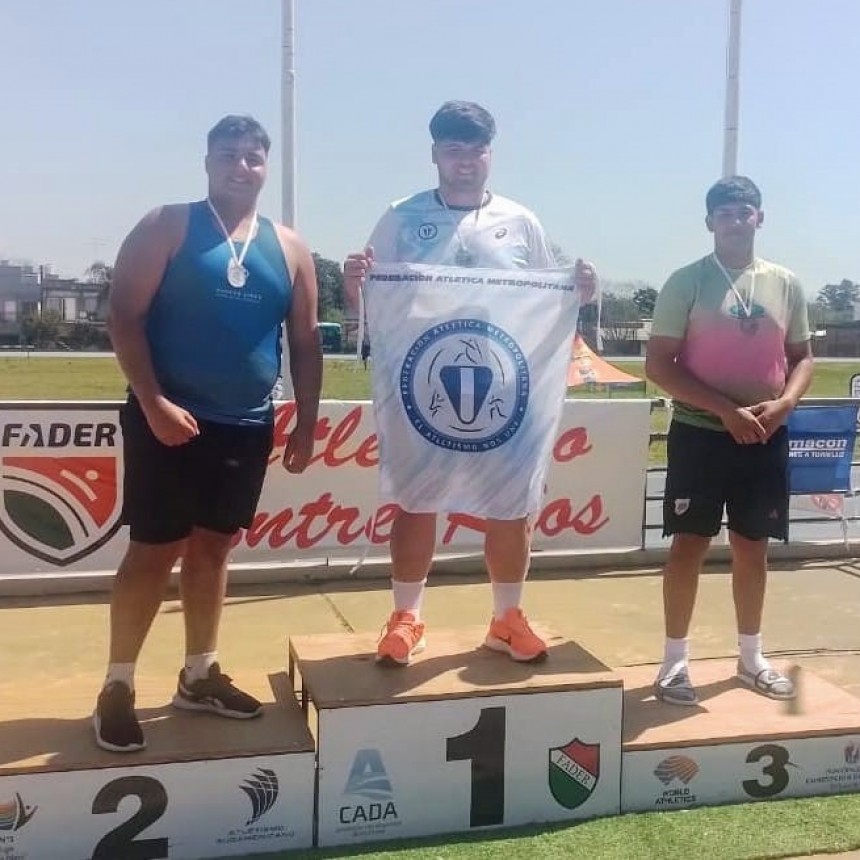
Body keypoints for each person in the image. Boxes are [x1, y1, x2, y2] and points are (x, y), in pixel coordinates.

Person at [94, 115, 322, 752]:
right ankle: (116, 684)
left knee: (215, 549)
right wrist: (153, 400)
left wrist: (306, 420)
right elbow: (122, 317)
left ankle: (199, 674)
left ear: (265, 166)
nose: (240, 166)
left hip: (247, 424)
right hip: (169, 419)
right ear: (207, 161)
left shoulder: (291, 247)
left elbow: (304, 341)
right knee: (153, 548)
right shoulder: (167, 224)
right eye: (228, 155)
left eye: (253, 157)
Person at [344, 101, 596, 667]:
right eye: (453, 150)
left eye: (476, 150)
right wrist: (352, 281)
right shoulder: (400, 216)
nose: (465, 161)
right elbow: (365, 301)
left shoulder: (521, 221)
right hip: (421, 384)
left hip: (506, 385)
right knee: (416, 501)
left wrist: (582, 289)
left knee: (511, 505)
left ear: (491, 153)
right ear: (435, 154)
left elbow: (550, 299)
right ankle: (407, 615)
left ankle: (506, 618)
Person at [646, 175, 812, 705]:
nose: (736, 220)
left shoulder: (784, 283)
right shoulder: (687, 281)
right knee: (689, 544)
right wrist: (725, 410)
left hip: (764, 435)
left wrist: (785, 404)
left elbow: (802, 357)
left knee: (752, 547)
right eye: (725, 213)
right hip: (701, 433)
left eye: (745, 211)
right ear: (709, 222)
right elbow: (659, 365)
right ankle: (674, 663)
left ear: (759, 218)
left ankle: (750, 658)